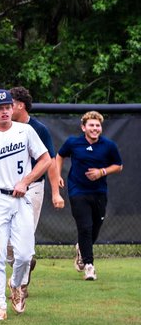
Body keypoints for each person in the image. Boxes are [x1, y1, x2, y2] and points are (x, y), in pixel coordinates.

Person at [0, 89, 51, 321]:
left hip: (20, 197)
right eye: (0, 107)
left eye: (8, 107)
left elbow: (46, 160)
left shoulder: (26, 131)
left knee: (24, 255)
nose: (5, 111)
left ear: (13, 108)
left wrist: (26, 180)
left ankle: (15, 285)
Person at [53, 111, 121, 282]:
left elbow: (118, 165)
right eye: (91, 125)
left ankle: (81, 249)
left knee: (95, 228)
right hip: (78, 191)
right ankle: (89, 266)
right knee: (85, 227)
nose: (95, 128)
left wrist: (102, 172)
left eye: (97, 125)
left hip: (99, 192)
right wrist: (58, 175)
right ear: (83, 127)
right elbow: (59, 156)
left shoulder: (109, 145)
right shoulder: (73, 143)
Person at [8, 86, 60, 292]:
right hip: (6, 190)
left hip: (33, 189)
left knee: (25, 235)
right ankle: (24, 264)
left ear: (20, 105)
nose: (5, 108)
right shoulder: (2, 127)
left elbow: (50, 161)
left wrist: (55, 192)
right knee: (5, 243)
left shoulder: (39, 129)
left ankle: (20, 285)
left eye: (9, 104)